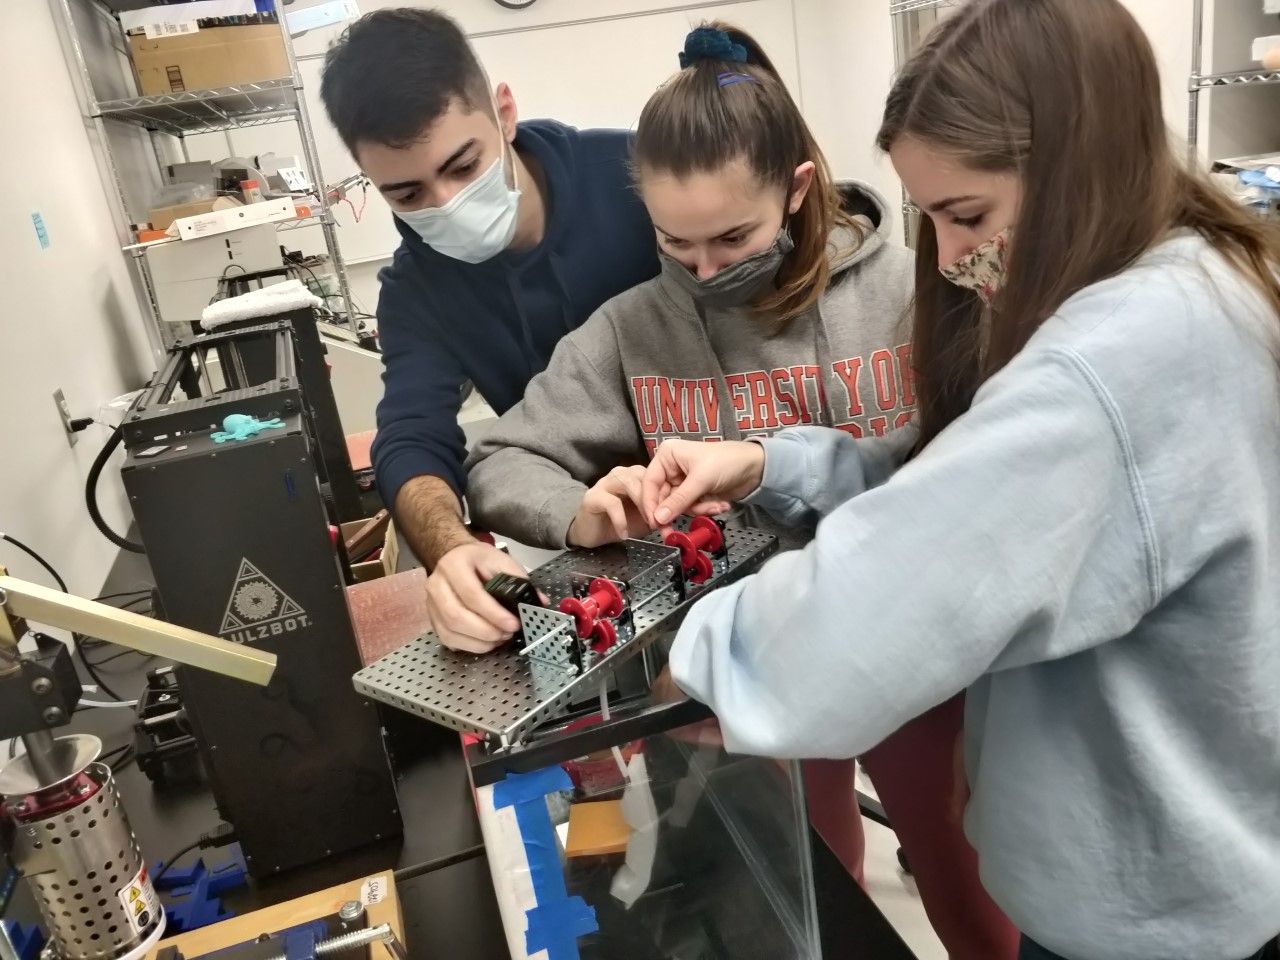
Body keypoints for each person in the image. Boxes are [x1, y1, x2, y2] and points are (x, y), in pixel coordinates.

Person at [638, 1, 1280, 959]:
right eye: (929, 217)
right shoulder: (1200, 282)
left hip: (1154, 928)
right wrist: (772, 462)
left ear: (1074, 167)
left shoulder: (1112, 366)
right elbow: (962, 480)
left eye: (966, 214)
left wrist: (690, 660)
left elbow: (883, 598)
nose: (944, 255)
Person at [466, 23, 1019, 960]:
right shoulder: (634, 328)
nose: (707, 271)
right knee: (802, 885)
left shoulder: (915, 282)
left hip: (914, 658)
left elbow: (974, 456)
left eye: (732, 237)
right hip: (754, 661)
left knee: (972, 895)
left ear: (798, 187)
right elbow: (500, 457)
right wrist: (584, 508)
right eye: (675, 244)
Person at [319, 9, 659, 650]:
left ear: (503, 112)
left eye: (463, 165)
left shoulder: (638, 174)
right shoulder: (417, 289)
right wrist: (450, 550)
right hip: (583, 532)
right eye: (407, 193)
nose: (447, 204)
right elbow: (412, 436)